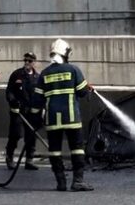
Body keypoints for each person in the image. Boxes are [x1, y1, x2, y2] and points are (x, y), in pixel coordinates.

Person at [30, 38, 94, 192]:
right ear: (65, 54)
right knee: (77, 149)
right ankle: (78, 181)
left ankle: (61, 183)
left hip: (52, 120)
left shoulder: (44, 74)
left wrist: (34, 118)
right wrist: (88, 89)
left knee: (54, 150)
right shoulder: (73, 70)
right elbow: (82, 91)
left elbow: (37, 101)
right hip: (72, 118)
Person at [4, 52, 40, 170]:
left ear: (34, 62)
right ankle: (9, 156)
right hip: (18, 111)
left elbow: (39, 95)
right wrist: (12, 100)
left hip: (31, 112)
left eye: (29, 61)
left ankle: (29, 159)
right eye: (25, 60)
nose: (27, 63)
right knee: (15, 134)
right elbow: (9, 91)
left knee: (31, 136)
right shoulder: (17, 75)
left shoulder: (38, 77)